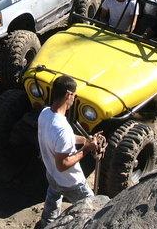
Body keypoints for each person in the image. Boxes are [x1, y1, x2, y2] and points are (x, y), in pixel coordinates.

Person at [37, 75, 102, 227]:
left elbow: (60, 140)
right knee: (92, 209)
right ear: (68, 95)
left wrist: (85, 140)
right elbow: (63, 164)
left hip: (51, 173)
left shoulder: (45, 113)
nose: (75, 99)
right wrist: (87, 149)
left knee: (53, 197)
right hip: (71, 182)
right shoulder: (62, 128)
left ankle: (47, 223)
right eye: (75, 95)